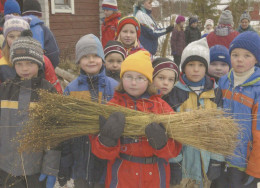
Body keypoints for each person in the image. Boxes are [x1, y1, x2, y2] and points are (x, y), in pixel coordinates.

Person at [91, 50, 182, 188]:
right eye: (128, 76)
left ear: (148, 81)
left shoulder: (161, 107)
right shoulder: (112, 107)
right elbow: (99, 152)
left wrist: (162, 144)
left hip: (155, 176)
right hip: (122, 176)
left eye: (140, 78)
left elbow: (174, 150)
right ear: (122, 79)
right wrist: (106, 141)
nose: (133, 82)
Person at [0, 30, 60, 188]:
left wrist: (51, 167)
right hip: (6, 168)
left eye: (30, 63)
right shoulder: (4, 91)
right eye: (19, 64)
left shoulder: (47, 92)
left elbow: (54, 133)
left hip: (35, 169)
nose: (24, 68)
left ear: (39, 63)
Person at [58, 34, 118, 188]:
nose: (91, 60)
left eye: (96, 56)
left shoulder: (114, 87)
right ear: (78, 61)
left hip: (107, 163)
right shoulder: (72, 89)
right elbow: (65, 127)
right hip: (81, 162)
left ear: (103, 59)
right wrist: (65, 161)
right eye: (85, 57)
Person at [166, 38, 224, 188]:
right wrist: (174, 162)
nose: (196, 70)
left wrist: (217, 160)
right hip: (183, 166)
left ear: (206, 67)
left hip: (206, 166)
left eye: (200, 65)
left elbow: (221, 130)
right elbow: (171, 132)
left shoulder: (215, 92)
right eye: (191, 65)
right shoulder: (174, 93)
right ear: (183, 67)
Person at [218, 31, 260, 188]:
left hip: (243, 162)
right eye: (235, 54)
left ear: (256, 58)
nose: (240, 59)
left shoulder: (257, 89)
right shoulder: (223, 82)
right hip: (220, 157)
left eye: (247, 55)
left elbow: (259, 132)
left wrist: (255, 170)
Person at [0, 15, 62, 93]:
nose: (15, 40)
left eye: (20, 36)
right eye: (11, 36)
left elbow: (54, 86)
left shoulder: (42, 59)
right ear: (6, 38)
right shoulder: (1, 60)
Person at [22, 0, 60, 68]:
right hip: (40, 70)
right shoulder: (44, 30)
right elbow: (54, 53)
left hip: (20, 70)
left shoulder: (16, 29)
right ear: (39, 15)